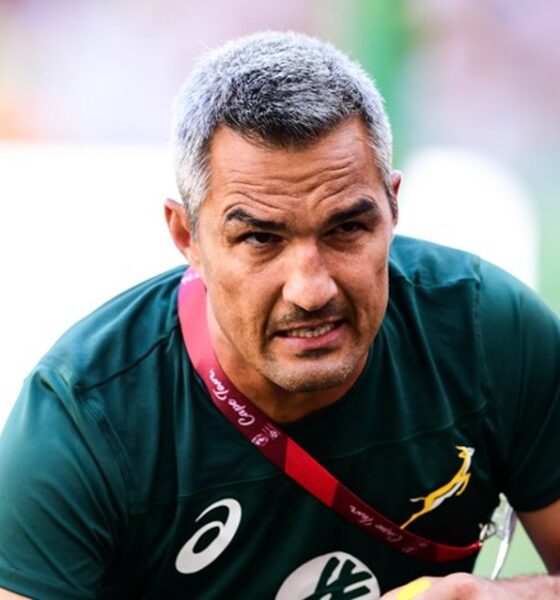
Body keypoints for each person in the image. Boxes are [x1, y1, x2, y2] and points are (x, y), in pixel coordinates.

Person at [0, 30, 559, 600]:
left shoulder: (491, 333)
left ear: (393, 207)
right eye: (261, 239)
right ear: (188, 236)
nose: (311, 290)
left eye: (347, 228)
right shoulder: (82, 422)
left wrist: (497, 598)